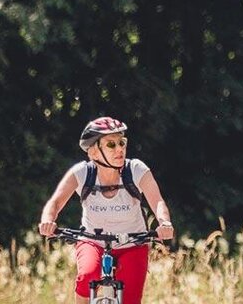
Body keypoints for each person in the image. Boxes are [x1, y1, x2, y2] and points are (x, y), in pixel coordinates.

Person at [36, 117, 175, 304]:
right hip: (93, 242)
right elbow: (54, 203)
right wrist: (48, 220)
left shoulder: (135, 170)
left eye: (122, 142)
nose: (120, 149)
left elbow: (157, 201)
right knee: (87, 275)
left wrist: (164, 223)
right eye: (111, 144)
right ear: (93, 152)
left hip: (133, 244)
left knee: (131, 299)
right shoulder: (82, 173)